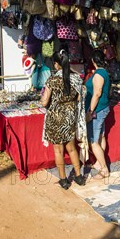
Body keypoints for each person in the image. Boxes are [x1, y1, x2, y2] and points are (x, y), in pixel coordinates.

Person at [40, 50, 86, 190]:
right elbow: (79, 98)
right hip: (70, 117)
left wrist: (43, 100)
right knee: (71, 148)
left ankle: (64, 180)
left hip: (55, 117)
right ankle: (78, 176)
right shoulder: (76, 78)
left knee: (58, 150)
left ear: (56, 64)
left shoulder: (52, 80)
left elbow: (44, 101)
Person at [85, 50, 111, 180]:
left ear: (93, 61)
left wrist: (90, 111)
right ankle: (99, 163)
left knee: (93, 141)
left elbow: (97, 93)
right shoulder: (104, 72)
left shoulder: (99, 74)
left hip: (98, 109)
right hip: (102, 108)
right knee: (101, 136)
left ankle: (104, 169)